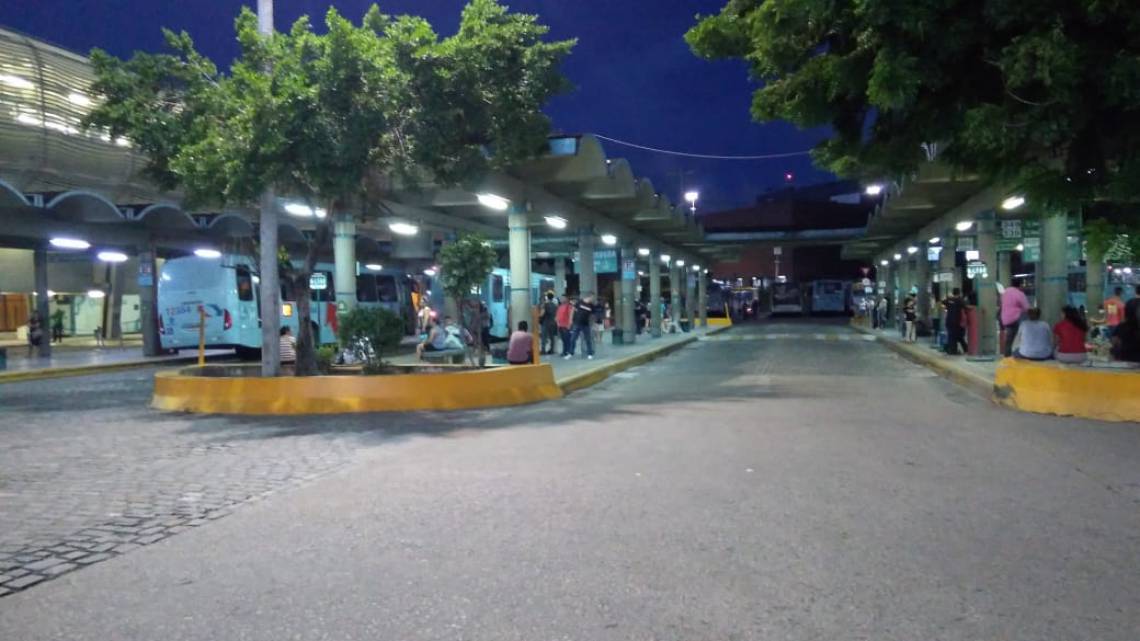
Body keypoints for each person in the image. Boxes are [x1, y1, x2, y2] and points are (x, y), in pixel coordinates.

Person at [1000, 277, 1030, 357]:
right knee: (1017, 337)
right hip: (1015, 319)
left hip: (1005, 319)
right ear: (1020, 285)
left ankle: (1007, 355)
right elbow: (1026, 308)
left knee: (1009, 338)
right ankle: (1016, 353)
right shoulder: (1019, 294)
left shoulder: (1005, 292)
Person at [567, 295, 595, 360]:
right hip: (577, 323)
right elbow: (572, 310)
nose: (592, 300)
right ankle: (571, 353)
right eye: (592, 298)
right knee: (573, 339)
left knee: (588, 339)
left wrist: (592, 323)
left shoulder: (591, 306)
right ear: (588, 297)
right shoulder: (579, 302)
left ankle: (590, 353)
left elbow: (592, 315)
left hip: (586, 324)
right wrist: (570, 320)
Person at [942, 288, 968, 355]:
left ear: (953, 293)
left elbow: (943, 302)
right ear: (959, 293)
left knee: (952, 336)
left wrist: (948, 297)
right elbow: (966, 307)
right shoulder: (960, 300)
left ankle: (953, 350)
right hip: (956, 322)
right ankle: (954, 351)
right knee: (957, 336)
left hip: (949, 321)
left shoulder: (949, 299)